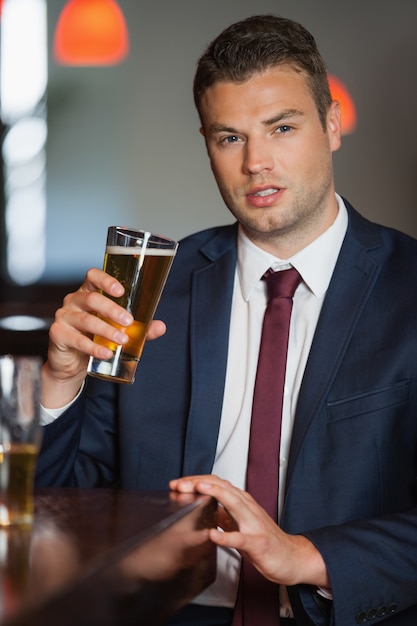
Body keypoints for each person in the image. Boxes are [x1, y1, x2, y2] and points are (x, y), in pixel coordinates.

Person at [35, 13, 417, 626]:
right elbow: (60, 508)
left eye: (282, 128)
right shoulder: (151, 289)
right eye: (229, 137)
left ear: (332, 125)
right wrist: (59, 382)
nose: (256, 163)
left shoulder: (409, 285)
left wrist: (306, 555)